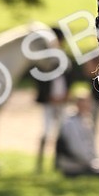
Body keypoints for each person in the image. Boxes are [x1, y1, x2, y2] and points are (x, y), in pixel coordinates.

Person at [34, 26, 76, 172]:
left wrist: (66, 95)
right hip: (49, 100)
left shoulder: (65, 59)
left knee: (61, 132)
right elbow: (40, 80)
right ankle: (39, 164)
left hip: (62, 100)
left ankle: (58, 163)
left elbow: (69, 79)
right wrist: (48, 97)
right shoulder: (45, 60)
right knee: (46, 131)